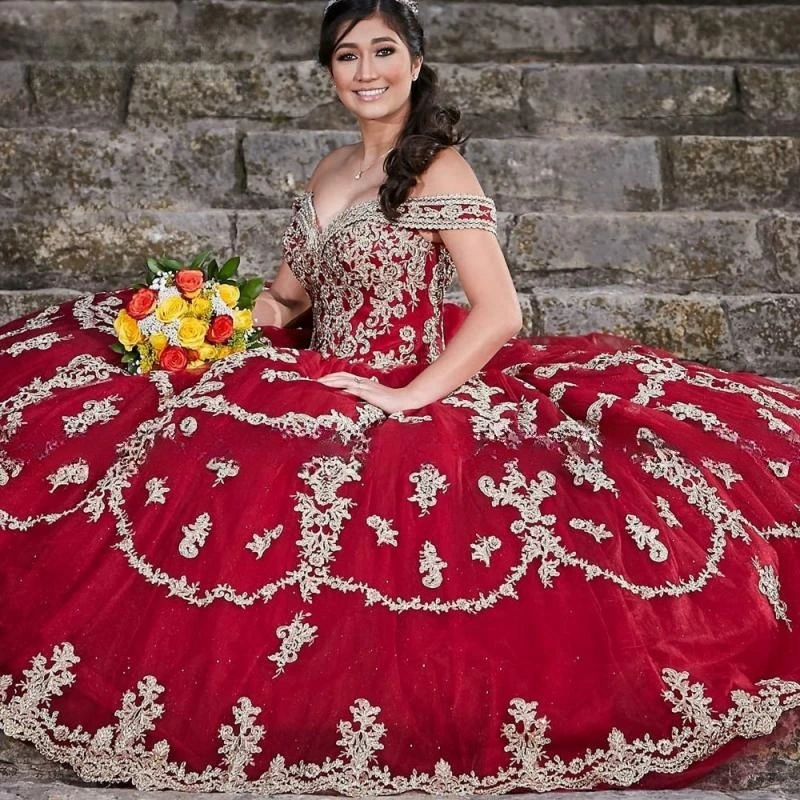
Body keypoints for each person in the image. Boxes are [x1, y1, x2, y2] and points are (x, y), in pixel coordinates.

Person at [0, 0, 798, 794]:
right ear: (330, 74)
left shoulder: (438, 168)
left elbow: (500, 313)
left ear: (416, 63)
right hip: (323, 370)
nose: (367, 71)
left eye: (383, 52)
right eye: (348, 56)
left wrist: (411, 395)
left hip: (407, 382)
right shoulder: (327, 170)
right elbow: (287, 301)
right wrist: (203, 318)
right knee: (184, 435)